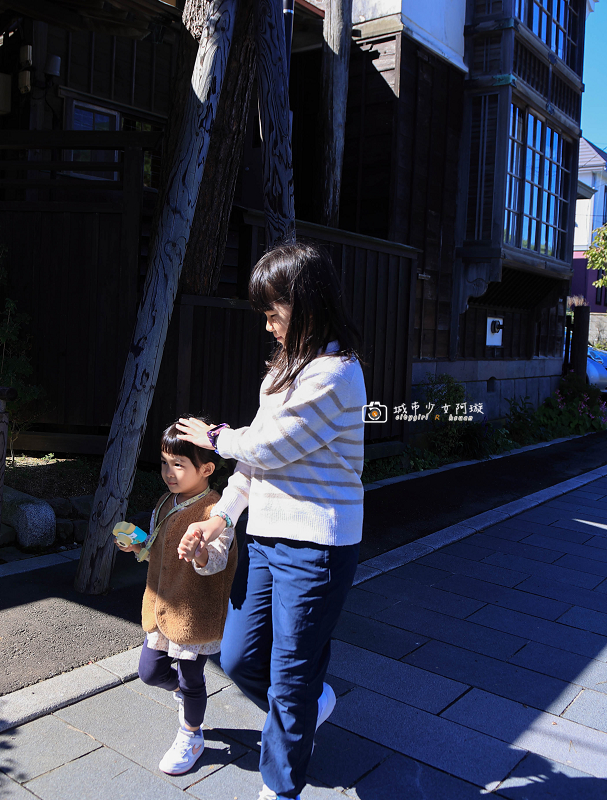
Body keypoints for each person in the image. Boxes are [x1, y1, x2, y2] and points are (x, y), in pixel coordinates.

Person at [176, 241, 366, 800]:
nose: (267, 325)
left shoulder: (337, 373)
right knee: (238, 658)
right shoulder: (282, 373)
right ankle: (310, 702)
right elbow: (256, 464)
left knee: (290, 674)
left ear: (305, 304)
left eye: (273, 312)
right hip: (266, 539)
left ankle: (280, 789)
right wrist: (222, 518)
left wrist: (213, 438)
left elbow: (271, 445)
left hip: (317, 546)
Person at [115, 419, 238, 777]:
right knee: (149, 671)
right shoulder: (167, 500)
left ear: (207, 469)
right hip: (161, 605)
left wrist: (199, 551)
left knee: (191, 678)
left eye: (179, 465)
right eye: (165, 463)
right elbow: (158, 547)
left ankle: (191, 734)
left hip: (194, 613)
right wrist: (138, 543)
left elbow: (217, 559)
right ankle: (185, 697)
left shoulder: (216, 510)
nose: (169, 472)